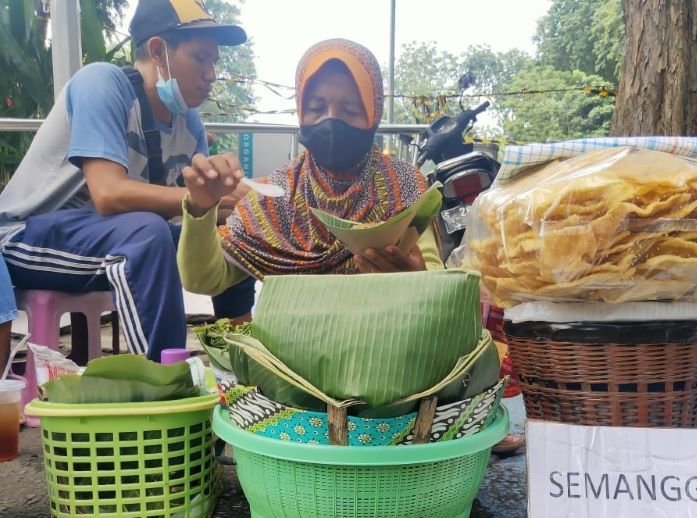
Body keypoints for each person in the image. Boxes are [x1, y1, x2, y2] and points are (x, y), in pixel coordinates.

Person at [0, 0, 255, 362]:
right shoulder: (101, 83)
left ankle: (246, 360)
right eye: (201, 58)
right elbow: (108, 194)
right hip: (25, 239)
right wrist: (200, 198)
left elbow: (196, 210)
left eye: (214, 62)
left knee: (234, 235)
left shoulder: (190, 123)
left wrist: (238, 204)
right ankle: (165, 377)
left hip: (107, 240)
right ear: (158, 51)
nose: (211, 74)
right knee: (147, 232)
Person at [176, 37, 443, 296]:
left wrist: (415, 282)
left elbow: (434, 278)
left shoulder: (403, 186)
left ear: (374, 113)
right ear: (301, 112)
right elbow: (204, 280)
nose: (331, 121)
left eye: (350, 110)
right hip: (289, 328)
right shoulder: (278, 195)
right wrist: (201, 207)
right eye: (316, 108)